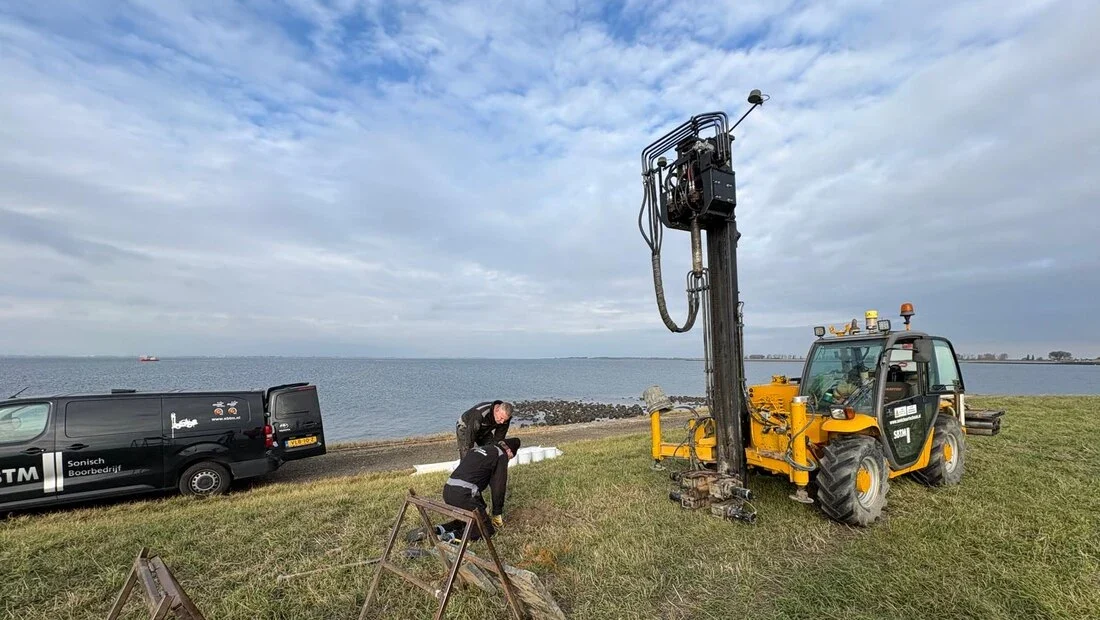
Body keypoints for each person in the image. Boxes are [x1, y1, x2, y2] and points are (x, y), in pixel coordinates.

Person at [407, 438, 520, 544]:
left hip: (449, 490)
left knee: (468, 520)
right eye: (510, 457)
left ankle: (438, 530)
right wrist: (497, 512)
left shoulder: (478, 449)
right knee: (486, 529)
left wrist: (482, 506)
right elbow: (499, 487)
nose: (508, 460)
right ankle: (450, 537)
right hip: (464, 495)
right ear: (509, 451)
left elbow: (473, 477)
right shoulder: (501, 456)